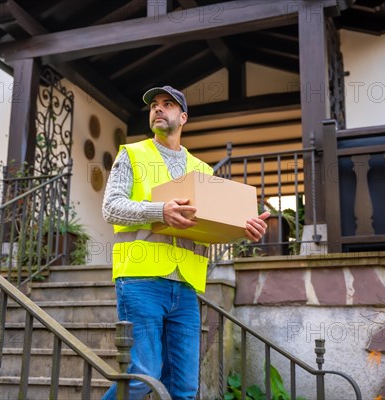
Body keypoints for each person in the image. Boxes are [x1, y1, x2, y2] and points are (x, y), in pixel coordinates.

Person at [101, 85, 269, 400]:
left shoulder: (202, 171)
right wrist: (159, 210)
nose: (158, 109)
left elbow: (211, 226)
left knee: (185, 389)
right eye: (154, 105)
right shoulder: (132, 154)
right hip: (141, 280)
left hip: (187, 288)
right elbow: (111, 208)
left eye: (167, 104)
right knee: (141, 378)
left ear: (184, 117)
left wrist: (242, 228)